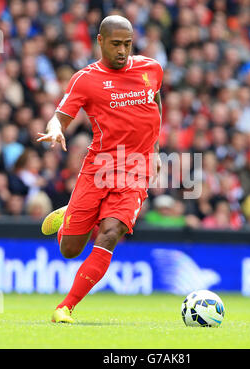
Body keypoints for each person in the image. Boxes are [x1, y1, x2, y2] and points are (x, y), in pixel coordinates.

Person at [37, 15, 163, 323]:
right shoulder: (86, 79)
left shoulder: (152, 69)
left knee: (111, 233)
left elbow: (156, 102)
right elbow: (60, 115)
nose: (122, 51)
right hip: (100, 167)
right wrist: (55, 129)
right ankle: (73, 215)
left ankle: (65, 307)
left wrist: (156, 149)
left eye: (128, 44)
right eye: (116, 44)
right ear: (100, 41)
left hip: (137, 168)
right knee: (69, 249)